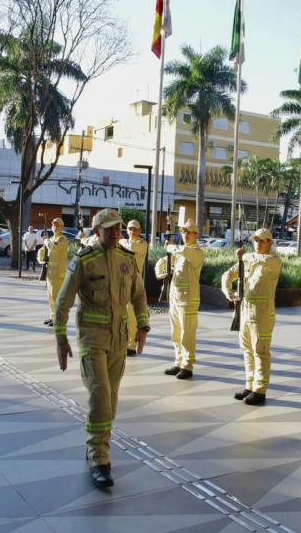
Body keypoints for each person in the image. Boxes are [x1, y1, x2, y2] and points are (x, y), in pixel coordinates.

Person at [53, 208, 150, 488]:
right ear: (96, 231)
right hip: (92, 339)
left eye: (118, 228)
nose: (116, 233)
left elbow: (139, 296)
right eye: (109, 229)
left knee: (112, 398)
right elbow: (63, 301)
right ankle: (99, 457)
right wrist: (61, 338)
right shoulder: (84, 260)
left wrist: (142, 325)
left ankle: (97, 444)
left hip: (119, 339)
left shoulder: (126, 259)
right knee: (100, 395)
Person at [222, 228, 283, 406]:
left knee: (260, 351)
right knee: (247, 350)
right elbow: (228, 274)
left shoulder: (273, 261)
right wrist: (229, 292)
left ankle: (260, 390)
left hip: (262, 314)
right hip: (245, 311)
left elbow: (258, 259)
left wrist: (243, 257)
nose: (258, 244)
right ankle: (250, 385)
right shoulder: (249, 260)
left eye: (262, 241)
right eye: (256, 240)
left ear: (270, 243)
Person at [154, 219, 204, 379]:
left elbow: (182, 251)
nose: (186, 235)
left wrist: (171, 247)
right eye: (183, 232)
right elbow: (162, 261)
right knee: (175, 333)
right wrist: (159, 271)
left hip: (188, 301)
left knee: (186, 334)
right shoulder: (180, 252)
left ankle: (187, 366)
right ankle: (179, 362)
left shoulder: (196, 252)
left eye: (189, 232)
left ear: (196, 235)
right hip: (175, 298)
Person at [120, 220, 149, 357]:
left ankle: (131, 345)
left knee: (131, 316)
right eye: (130, 229)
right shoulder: (123, 242)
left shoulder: (141, 244)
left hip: (134, 284)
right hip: (122, 282)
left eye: (135, 229)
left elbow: (130, 250)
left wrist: (120, 242)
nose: (132, 231)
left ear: (139, 231)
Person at [41, 218, 69, 326]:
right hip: (50, 273)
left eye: (57, 225)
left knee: (56, 296)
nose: (55, 227)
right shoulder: (52, 238)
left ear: (61, 227)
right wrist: (41, 258)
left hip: (58, 273)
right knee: (50, 296)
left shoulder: (62, 239)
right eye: (53, 225)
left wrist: (45, 241)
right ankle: (52, 316)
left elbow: (54, 248)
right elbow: (44, 251)